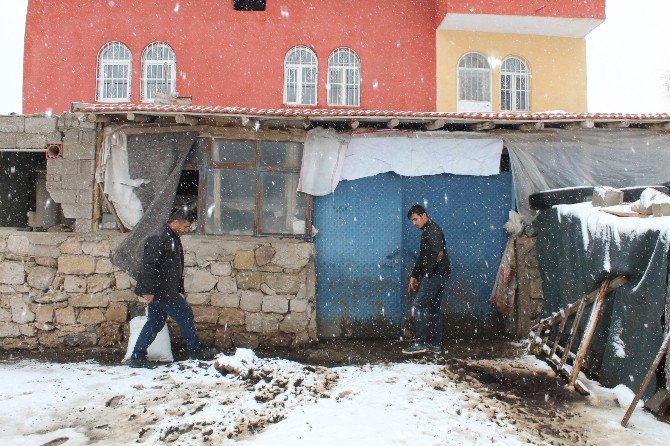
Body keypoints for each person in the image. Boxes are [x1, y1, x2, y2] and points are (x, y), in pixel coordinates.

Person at [127, 208, 217, 368]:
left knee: (155, 322)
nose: (186, 230)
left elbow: (172, 265)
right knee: (185, 315)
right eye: (185, 226)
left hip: (165, 289)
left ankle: (137, 356)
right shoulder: (159, 237)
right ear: (175, 222)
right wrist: (148, 290)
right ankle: (196, 351)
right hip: (161, 289)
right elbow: (149, 265)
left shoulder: (171, 236)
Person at [403, 204, 451, 354]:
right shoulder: (428, 231)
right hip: (440, 274)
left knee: (418, 305)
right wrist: (414, 275)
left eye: (416, 219)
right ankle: (435, 345)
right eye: (412, 221)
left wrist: (427, 275)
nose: (414, 223)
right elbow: (423, 257)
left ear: (424, 216)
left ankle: (420, 342)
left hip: (436, 275)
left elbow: (438, 254)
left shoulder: (433, 231)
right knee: (435, 309)